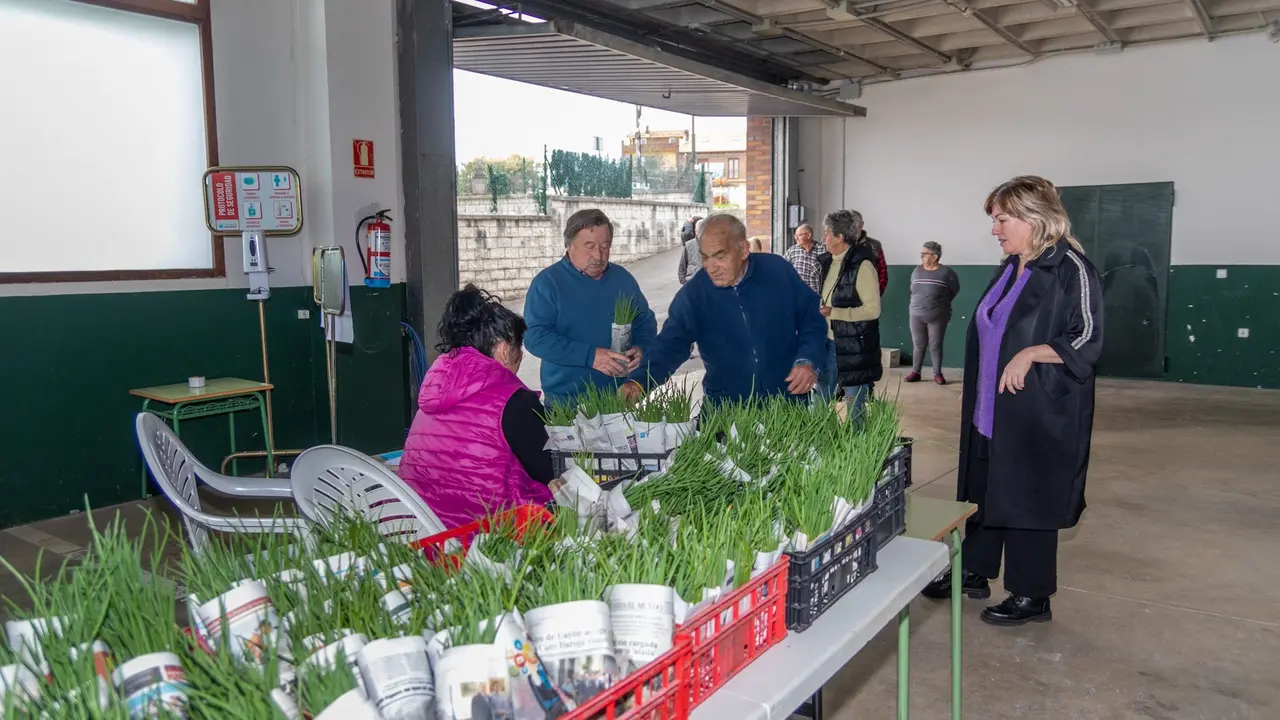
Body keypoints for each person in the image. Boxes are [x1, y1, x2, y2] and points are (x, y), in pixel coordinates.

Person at [921, 176, 1103, 627]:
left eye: (1002, 219)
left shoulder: (1071, 268)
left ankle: (1032, 594)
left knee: (1027, 498)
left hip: (1038, 409)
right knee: (983, 490)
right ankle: (974, 571)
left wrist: (1032, 353)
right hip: (992, 405)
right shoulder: (1010, 267)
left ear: (1034, 218)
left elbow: (1087, 335)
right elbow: (991, 330)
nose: (995, 229)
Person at [621, 214, 827, 405]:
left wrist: (808, 360)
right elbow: (670, 344)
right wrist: (640, 382)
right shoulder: (695, 294)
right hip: (726, 408)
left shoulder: (777, 271)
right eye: (705, 257)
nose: (711, 267)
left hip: (786, 403)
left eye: (720, 256)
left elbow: (811, 318)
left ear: (744, 249)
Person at [399, 285, 554, 529]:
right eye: (519, 348)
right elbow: (550, 471)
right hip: (489, 540)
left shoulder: (432, 391)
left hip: (426, 533)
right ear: (504, 349)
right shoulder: (514, 402)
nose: (521, 356)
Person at [524, 209, 658, 405]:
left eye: (605, 246)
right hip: (566, 403)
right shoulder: (547, 284)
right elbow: (535, 337)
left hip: (619, 397)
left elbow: (645, 321)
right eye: (589, 246)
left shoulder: (622, 279)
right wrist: (591, 357)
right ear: (569, 246)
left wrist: (641, 348)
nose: (598, 255)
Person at [816, 210, 882, 411]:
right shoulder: (827, 263)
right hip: (828, 343)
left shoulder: (863, 266)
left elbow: (873, 310)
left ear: (839, 237)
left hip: (855, 347)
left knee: (855, 409)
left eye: (826, 233)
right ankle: (823, 442)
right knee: (819, 402)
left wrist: (834, 313)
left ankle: (857, 442)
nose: (823, 238)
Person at [906, 241, 961, 385]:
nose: (921, 256)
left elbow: (954, 289)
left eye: (924, 254)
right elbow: (912, 290)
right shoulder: (917, 271)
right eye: (921, 254)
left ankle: (937, 373)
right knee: (918, 344)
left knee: (935, 344)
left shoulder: (946, 273)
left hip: (938, 315)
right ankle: (915, 372)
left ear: (934, 256)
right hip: (916, 314)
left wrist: (941, 303)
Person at [848, 211, 888, 295]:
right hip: (843, 297)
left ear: (861, 225)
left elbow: (883, 273)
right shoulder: (840, 244)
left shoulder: (875, 245)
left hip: (869, 296)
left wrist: (876, 294)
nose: (853, 229)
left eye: (856, 225)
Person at [782, 223, 825, 294]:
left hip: (816, 297)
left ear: (808, 235)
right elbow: (783, 268)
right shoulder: (792, 250)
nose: (796, 238)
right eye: (795, 236)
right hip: (797, 295)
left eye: (798, 235)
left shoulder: (822, 250)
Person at [677, 215, 704, 284]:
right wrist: (684, 282)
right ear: (696, 232)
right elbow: (682, 267)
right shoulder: (688, 245)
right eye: (699, 231)